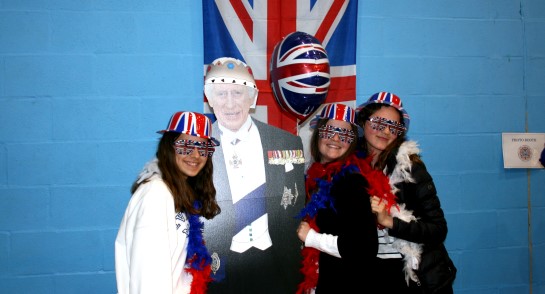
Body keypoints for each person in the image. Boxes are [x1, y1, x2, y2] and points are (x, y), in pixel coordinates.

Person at [202, 57, 306, 293]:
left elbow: (296, 201)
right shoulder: (198, 147)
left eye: (238, 93)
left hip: (276, 262)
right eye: (221, 93)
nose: (230, 104)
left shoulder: (286, 142)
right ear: (209, 99)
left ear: (253, 98)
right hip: (221, 267)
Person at [356, 92, 457, 294]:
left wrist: (390, 222)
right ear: (363, 122)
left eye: (394, 127)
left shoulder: (411, 169)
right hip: (370, 271)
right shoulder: (352, 167)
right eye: (379, 123)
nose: (385, 131)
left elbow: (438, 229)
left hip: (411, 276)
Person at [115, 111, 221, 294]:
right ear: (169, 147)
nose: (195, 155)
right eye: (186, 145)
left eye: (203, 148)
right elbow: (148, 278)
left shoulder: (176, 193)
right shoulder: (156, 194)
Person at [296, 103, 393, 293]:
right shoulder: (316, 176)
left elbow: (364, 249)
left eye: (345, 134)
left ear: (352, 142)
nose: (336, 138)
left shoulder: (351, 183)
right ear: (318, 134)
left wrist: (312, 238)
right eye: (329, 130)